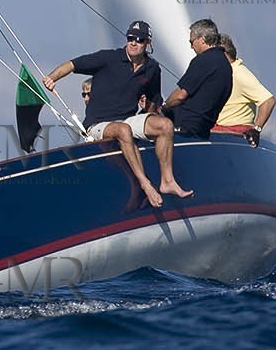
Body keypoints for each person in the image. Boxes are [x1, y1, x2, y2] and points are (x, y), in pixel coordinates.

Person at [43, 19, 185, 208]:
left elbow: (152, 101)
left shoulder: (152, 69)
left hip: (128, 119)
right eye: (130, 38)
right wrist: (52, 78)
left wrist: (149, 119)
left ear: (148, 43)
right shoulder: (108, 58)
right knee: (124, 130)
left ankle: (167, 181)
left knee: (165, 125)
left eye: (140, 39)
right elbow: (72, 64)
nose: (134, 42)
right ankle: (145, 185)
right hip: (98, 124)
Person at [162, 19, 235, 147]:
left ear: (202, 39)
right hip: (204, 130)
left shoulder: (203, 60)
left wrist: (164, 106)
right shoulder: (226, 65)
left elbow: (180, 95)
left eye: (192, 42)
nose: (191, 46)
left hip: (185, 129)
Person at [211, 36, 275, 146]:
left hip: (233, 133)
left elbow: (268, 101)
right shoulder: (221, 73)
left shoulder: (239, 73)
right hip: (218, 130)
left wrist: (256, 129)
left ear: (224, 55)